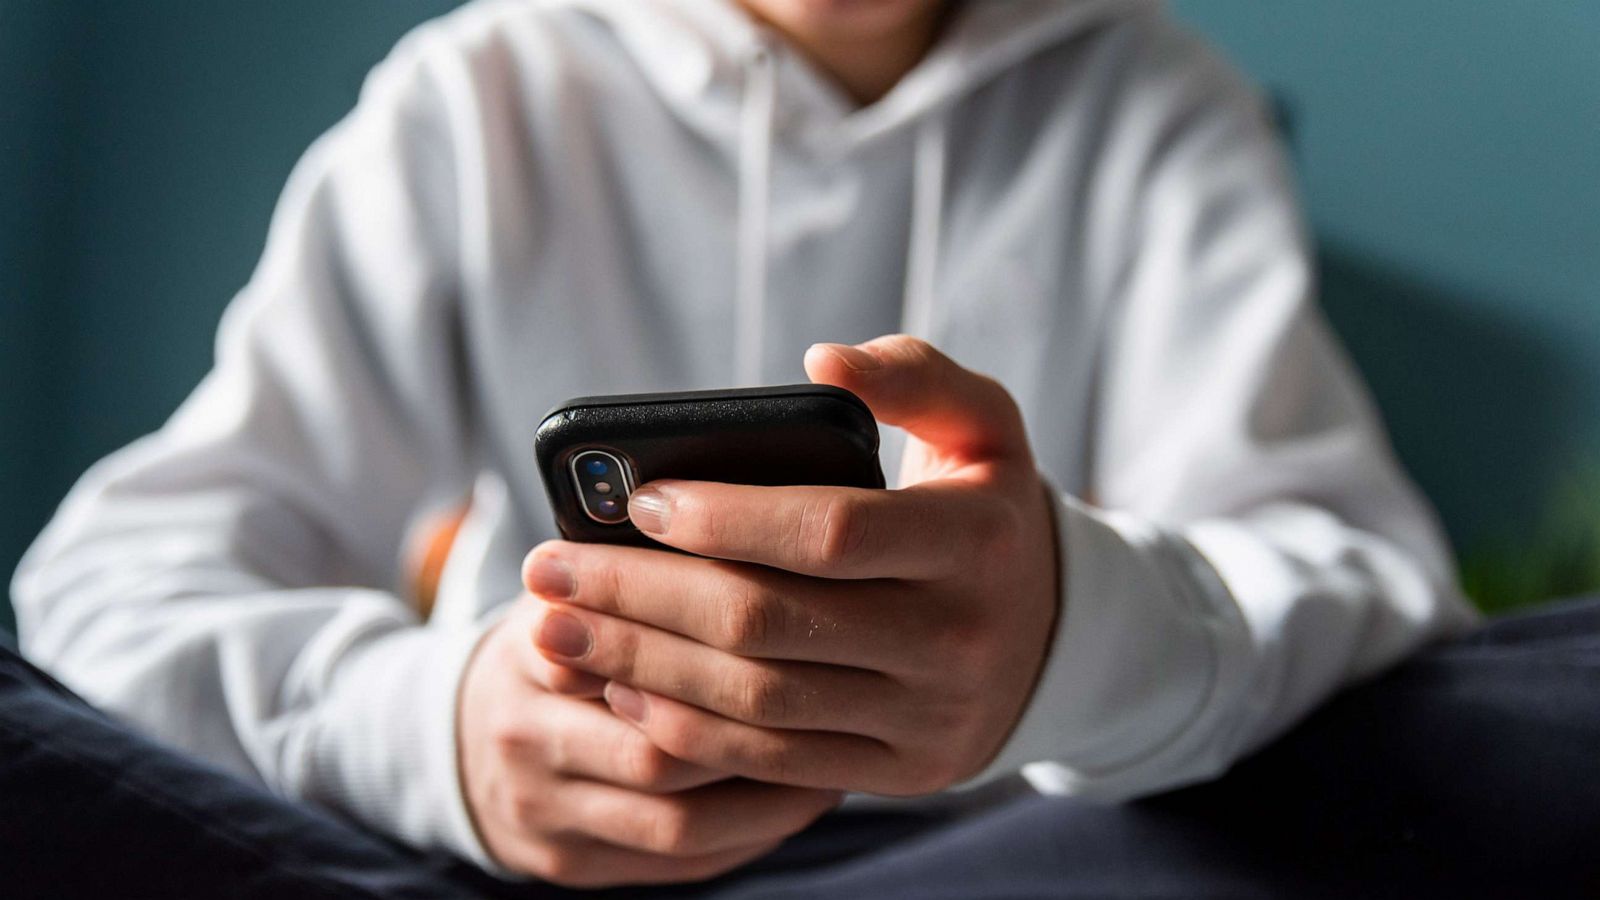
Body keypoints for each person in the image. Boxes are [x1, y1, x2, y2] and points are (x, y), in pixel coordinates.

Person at [16, 0, 1590, 895]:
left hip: (1007, 861)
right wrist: (438, 733)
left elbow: (1363, 577)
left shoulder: (1155, 105)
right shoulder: (479, 98)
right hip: (533, 870)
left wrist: (1064, 633)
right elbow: (112, 580)